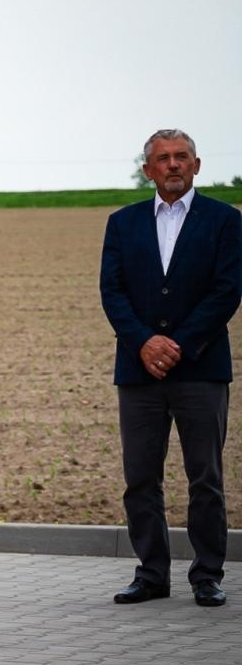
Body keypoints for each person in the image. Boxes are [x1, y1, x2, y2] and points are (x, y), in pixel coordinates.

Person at [100, 128, 240, 607]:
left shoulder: (225, 220)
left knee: (206, 478)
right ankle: (151, 574)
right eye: (163, 158)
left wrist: (179, 344)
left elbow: (227, 290)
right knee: (141, 478)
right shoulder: (122, 223)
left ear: (196, 166)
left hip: (200, 368)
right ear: (148, 170)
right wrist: (143, 342)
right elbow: (112, 291)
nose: (173, 165)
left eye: (182, 157)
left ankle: (207, 576)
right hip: (138, 371)